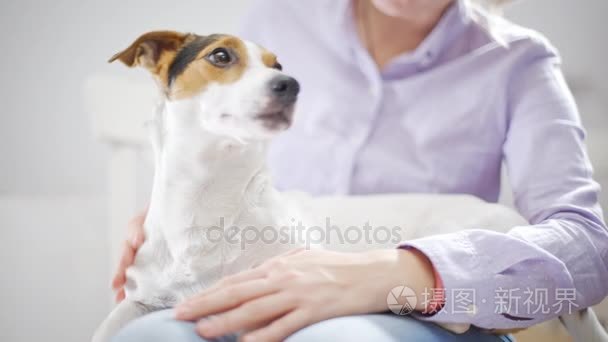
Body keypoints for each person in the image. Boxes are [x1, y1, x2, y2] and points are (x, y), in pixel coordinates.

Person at [111, 0, 608, 341]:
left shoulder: (521, 62)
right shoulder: (279, 16)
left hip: (416, 307)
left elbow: (587, 246)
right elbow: (220, 135)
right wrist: (181, 207)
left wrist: (402, 272)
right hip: (252, 276)